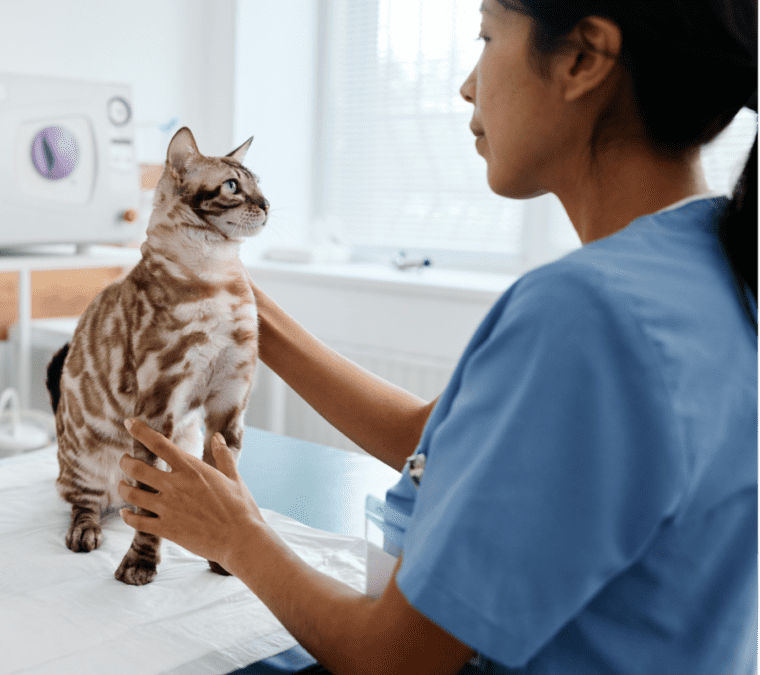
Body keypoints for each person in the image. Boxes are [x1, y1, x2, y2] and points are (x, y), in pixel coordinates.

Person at [118, 0, 759, 672]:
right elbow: (443, 440)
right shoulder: (713, 266)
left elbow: (394, 658)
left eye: (486, 36)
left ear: (582, 58)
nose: (467, 84)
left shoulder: (586, 314)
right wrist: (248, 309)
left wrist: (235, 534)